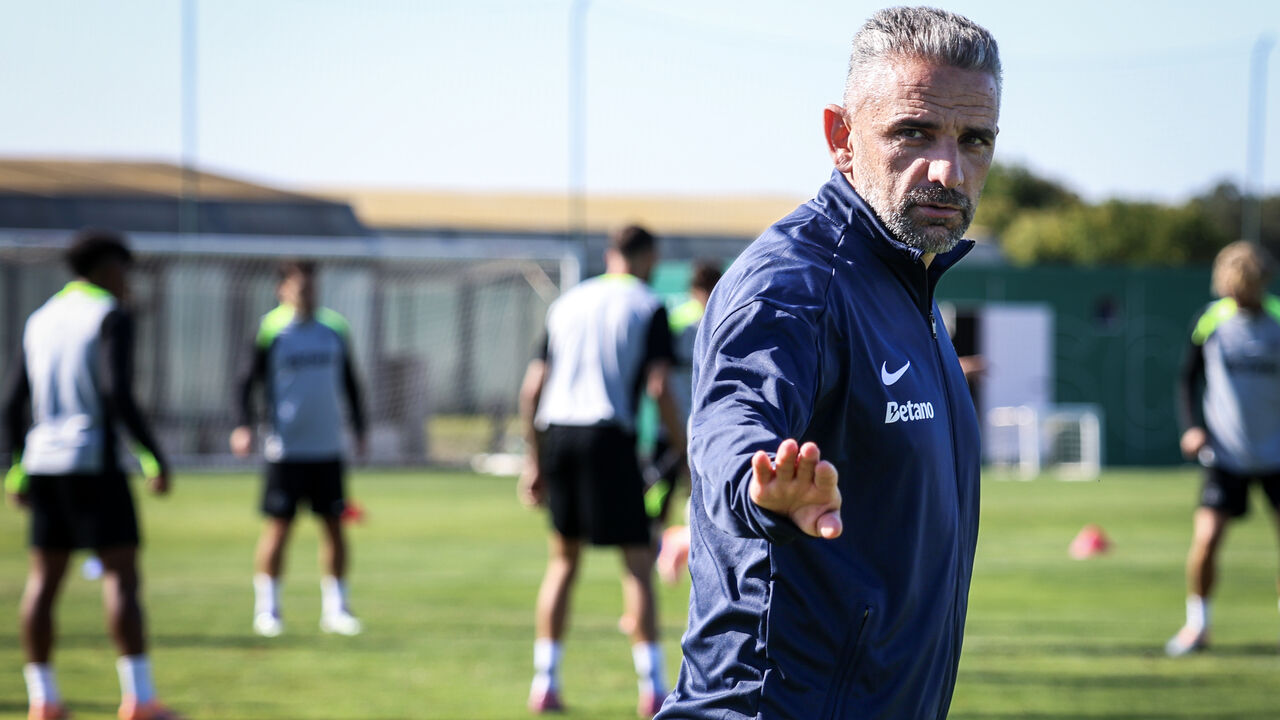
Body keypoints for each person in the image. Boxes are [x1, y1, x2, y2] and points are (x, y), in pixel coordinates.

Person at [657, 7, 997, 719]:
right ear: (841, 137)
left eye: (974, 140)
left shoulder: (908, 283)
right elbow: (732, 430)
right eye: (912, 132)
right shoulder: (793, 285)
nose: (948, 168)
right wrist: (762, 491)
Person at [2, 230, 183, 720]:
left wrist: (17, 471)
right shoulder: (108, 314)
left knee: (43, 581)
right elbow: (115, 391)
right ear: (110, 270)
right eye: (125, 272)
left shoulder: (40, 319)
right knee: (122, 576)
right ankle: (139, 699)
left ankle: (44, 700)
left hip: (43, 463)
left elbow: (14, 402)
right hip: (93, 461)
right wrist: (153, 458)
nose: (128, 284)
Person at [518, 224, 686, 717]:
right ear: (648, 257)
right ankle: (652, 689)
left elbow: (532, 388)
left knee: (562, 563)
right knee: (637, 564)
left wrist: (533, 459)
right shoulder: (647, 305)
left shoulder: (567, 303)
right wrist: (686, 448)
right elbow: (659, 388)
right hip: (608, 436)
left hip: (558, 436)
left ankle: (544, 682)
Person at [231, 260, 367, 638]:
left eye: (312, 287)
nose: (307, 293)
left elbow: (351, 381)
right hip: (285, 449)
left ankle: (337, 609)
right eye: (300, 287)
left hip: (327, 448)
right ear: (283, 290)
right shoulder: (270, 330)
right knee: (278, 529)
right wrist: (242, 424)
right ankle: (268, 610)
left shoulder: (334, 329)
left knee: (335, 529)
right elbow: (246, 381)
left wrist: (359, 428)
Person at [1166, 240, 1280, 657]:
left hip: (1277, 453)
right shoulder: (1211, 321)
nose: (1235, 292)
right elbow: (1186, 379)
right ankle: (1198, 626)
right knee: (1208, 538)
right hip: (1226, 453)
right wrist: (1193, 428)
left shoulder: (1277, 321)